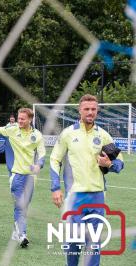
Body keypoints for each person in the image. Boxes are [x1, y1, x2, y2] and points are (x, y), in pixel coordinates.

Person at [50, 94, 124, 266]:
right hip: (75, 196)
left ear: (97, 111)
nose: (90, 112)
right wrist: (55, 187)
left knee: (93, 245)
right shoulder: (68, 133)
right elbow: (55, 159)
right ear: (80, 110)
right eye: (87, 109)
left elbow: (120, 163)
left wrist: (110, 164)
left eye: (93, 109)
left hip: (98, 196)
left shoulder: (104, 135)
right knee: (73, 243)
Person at [0, 108, 45, 248]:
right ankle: (22, 234)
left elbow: (42, 154)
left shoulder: (37, 135)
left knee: (25, 206)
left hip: (30, 177)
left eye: (23, 119)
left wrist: (39, 165)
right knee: (20, 205)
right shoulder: (12, 130)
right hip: (16, 175)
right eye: (19, 118)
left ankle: (15, 231)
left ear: (30, 119)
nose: (20, 121)